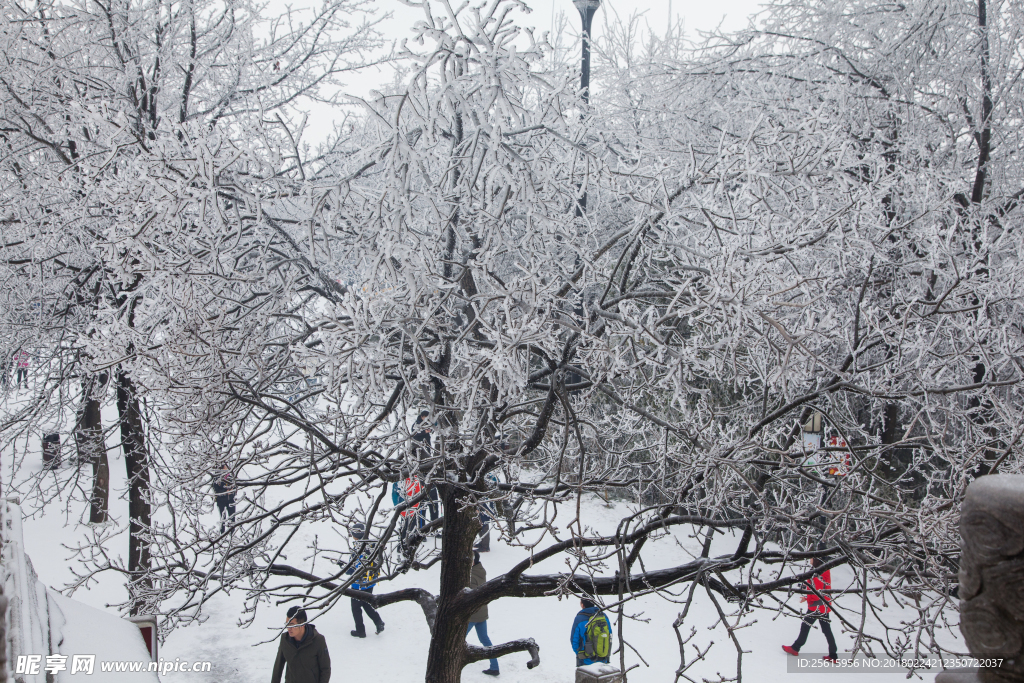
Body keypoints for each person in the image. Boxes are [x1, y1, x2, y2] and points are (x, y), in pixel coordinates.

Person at [782, 557, 839, 662]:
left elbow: (817, 592)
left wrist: (808, 598)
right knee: (826, 630)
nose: (809, 559)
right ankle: (833, 655)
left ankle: (795, 648)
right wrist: (807, 596)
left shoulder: (818, 573)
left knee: (805, 626)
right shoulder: (822, 570)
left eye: (811, 558)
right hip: (823, 605)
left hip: (817, 606)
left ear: (817, 560)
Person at [344, 523, 385, 638]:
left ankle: (360, 631)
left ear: (355, 535)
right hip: (370, 581)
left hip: (358, 585)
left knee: (356, 608)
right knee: (367, 603)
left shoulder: (357, 549)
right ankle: (378, 622)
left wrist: (342, 566)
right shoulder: (372, 545)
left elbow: (351, 570)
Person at [271, 606, 331, 683]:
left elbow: (325, 669)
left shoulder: (318, 640)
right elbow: (278, 666)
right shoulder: (285, 639)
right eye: (287, 624)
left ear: (302, 624)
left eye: (292, 624)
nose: (288, 628)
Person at [466, 551, 499, 676]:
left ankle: (450, 662)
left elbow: (470, 595)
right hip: (482, 611)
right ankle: (495, 666)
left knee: (456, 639)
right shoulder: (480, 571)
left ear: (473, 561)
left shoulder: (471, 576)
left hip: (473, 614)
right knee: (485, 639)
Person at [412, 411, 441, 521]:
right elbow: (414, 432)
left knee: (433, 500)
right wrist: (425, 431)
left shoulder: (429, 423)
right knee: (423, 501)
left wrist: (432, 428)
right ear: (421, 416)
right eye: (425, 417)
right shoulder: (416, 424)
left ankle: (434, 522)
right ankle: (422, 525)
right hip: (419, 456)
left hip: (427, 455)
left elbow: (436, 426)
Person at [571, 598, 612, 667]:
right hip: (603, 657)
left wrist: (579, 653)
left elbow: (574, 640)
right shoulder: (603, 616)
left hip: (585, 659)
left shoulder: (580, 618)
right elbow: (609, 634)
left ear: (582, 604)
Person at [392, 469, 423, 553]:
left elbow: (420, 491)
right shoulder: (402, 480)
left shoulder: (415, 478)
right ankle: (402, 546)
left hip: (413, 509)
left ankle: (407, 546)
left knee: (410, 528)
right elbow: (395, 493)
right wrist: (397, 506)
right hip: (405, 509)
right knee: (405, 527)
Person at [212, 465, 236, 533]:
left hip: (231, 500)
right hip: (221, 501)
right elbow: (216, 490)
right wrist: (225, 492)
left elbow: (235, 486)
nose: (227, 468)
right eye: (225, 467)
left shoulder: (231, 477)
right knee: (223, 519)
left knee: (232, 518)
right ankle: (222, 534)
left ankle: (232, 534)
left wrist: (232, 491)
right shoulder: (217, 479)